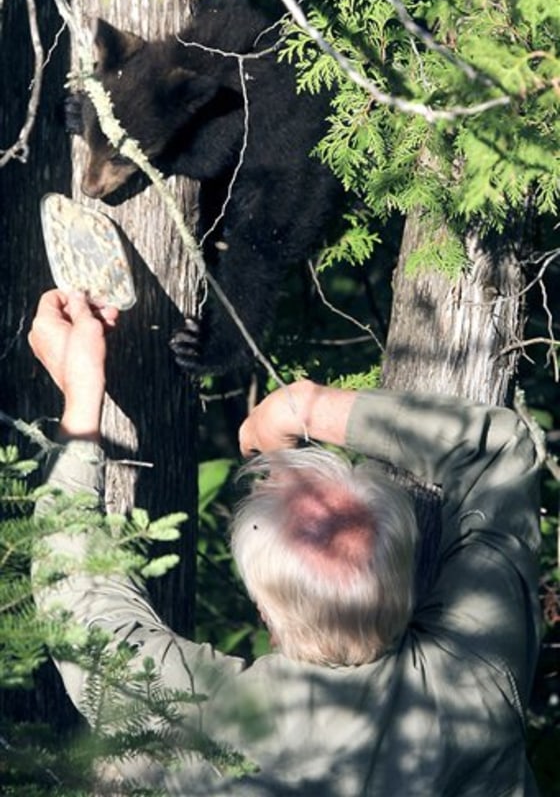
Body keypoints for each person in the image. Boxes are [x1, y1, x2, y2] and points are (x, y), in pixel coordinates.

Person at [29, 289, 542, 796]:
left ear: (263, 611)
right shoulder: (477, 678)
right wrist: (307, 407)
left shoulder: (202, 721)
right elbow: (498, 452)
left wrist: (81, 398)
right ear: (404, 573)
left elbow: (76, 596)